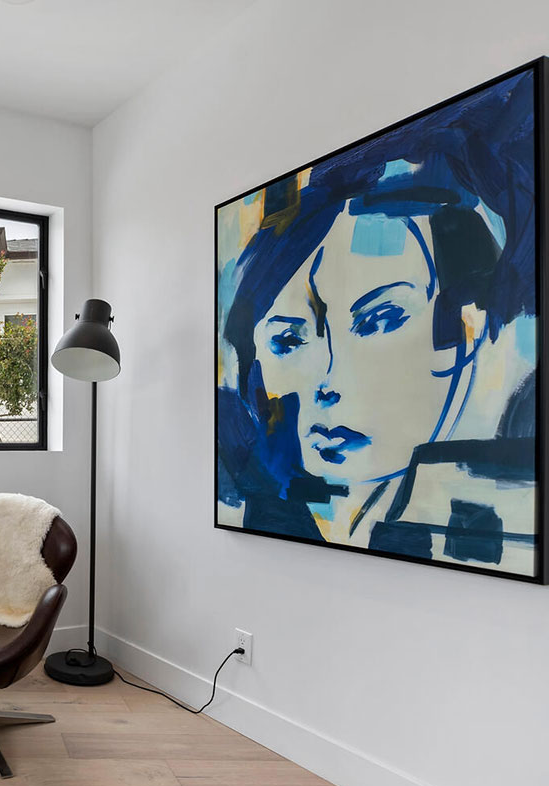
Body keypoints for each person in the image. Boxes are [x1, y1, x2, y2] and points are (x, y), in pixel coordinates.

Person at [217, 68, 537, 574]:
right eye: (287, 338)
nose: (326, 382)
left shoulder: (503, 520)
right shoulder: (268, 508)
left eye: (380, 319)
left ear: (469, 328)